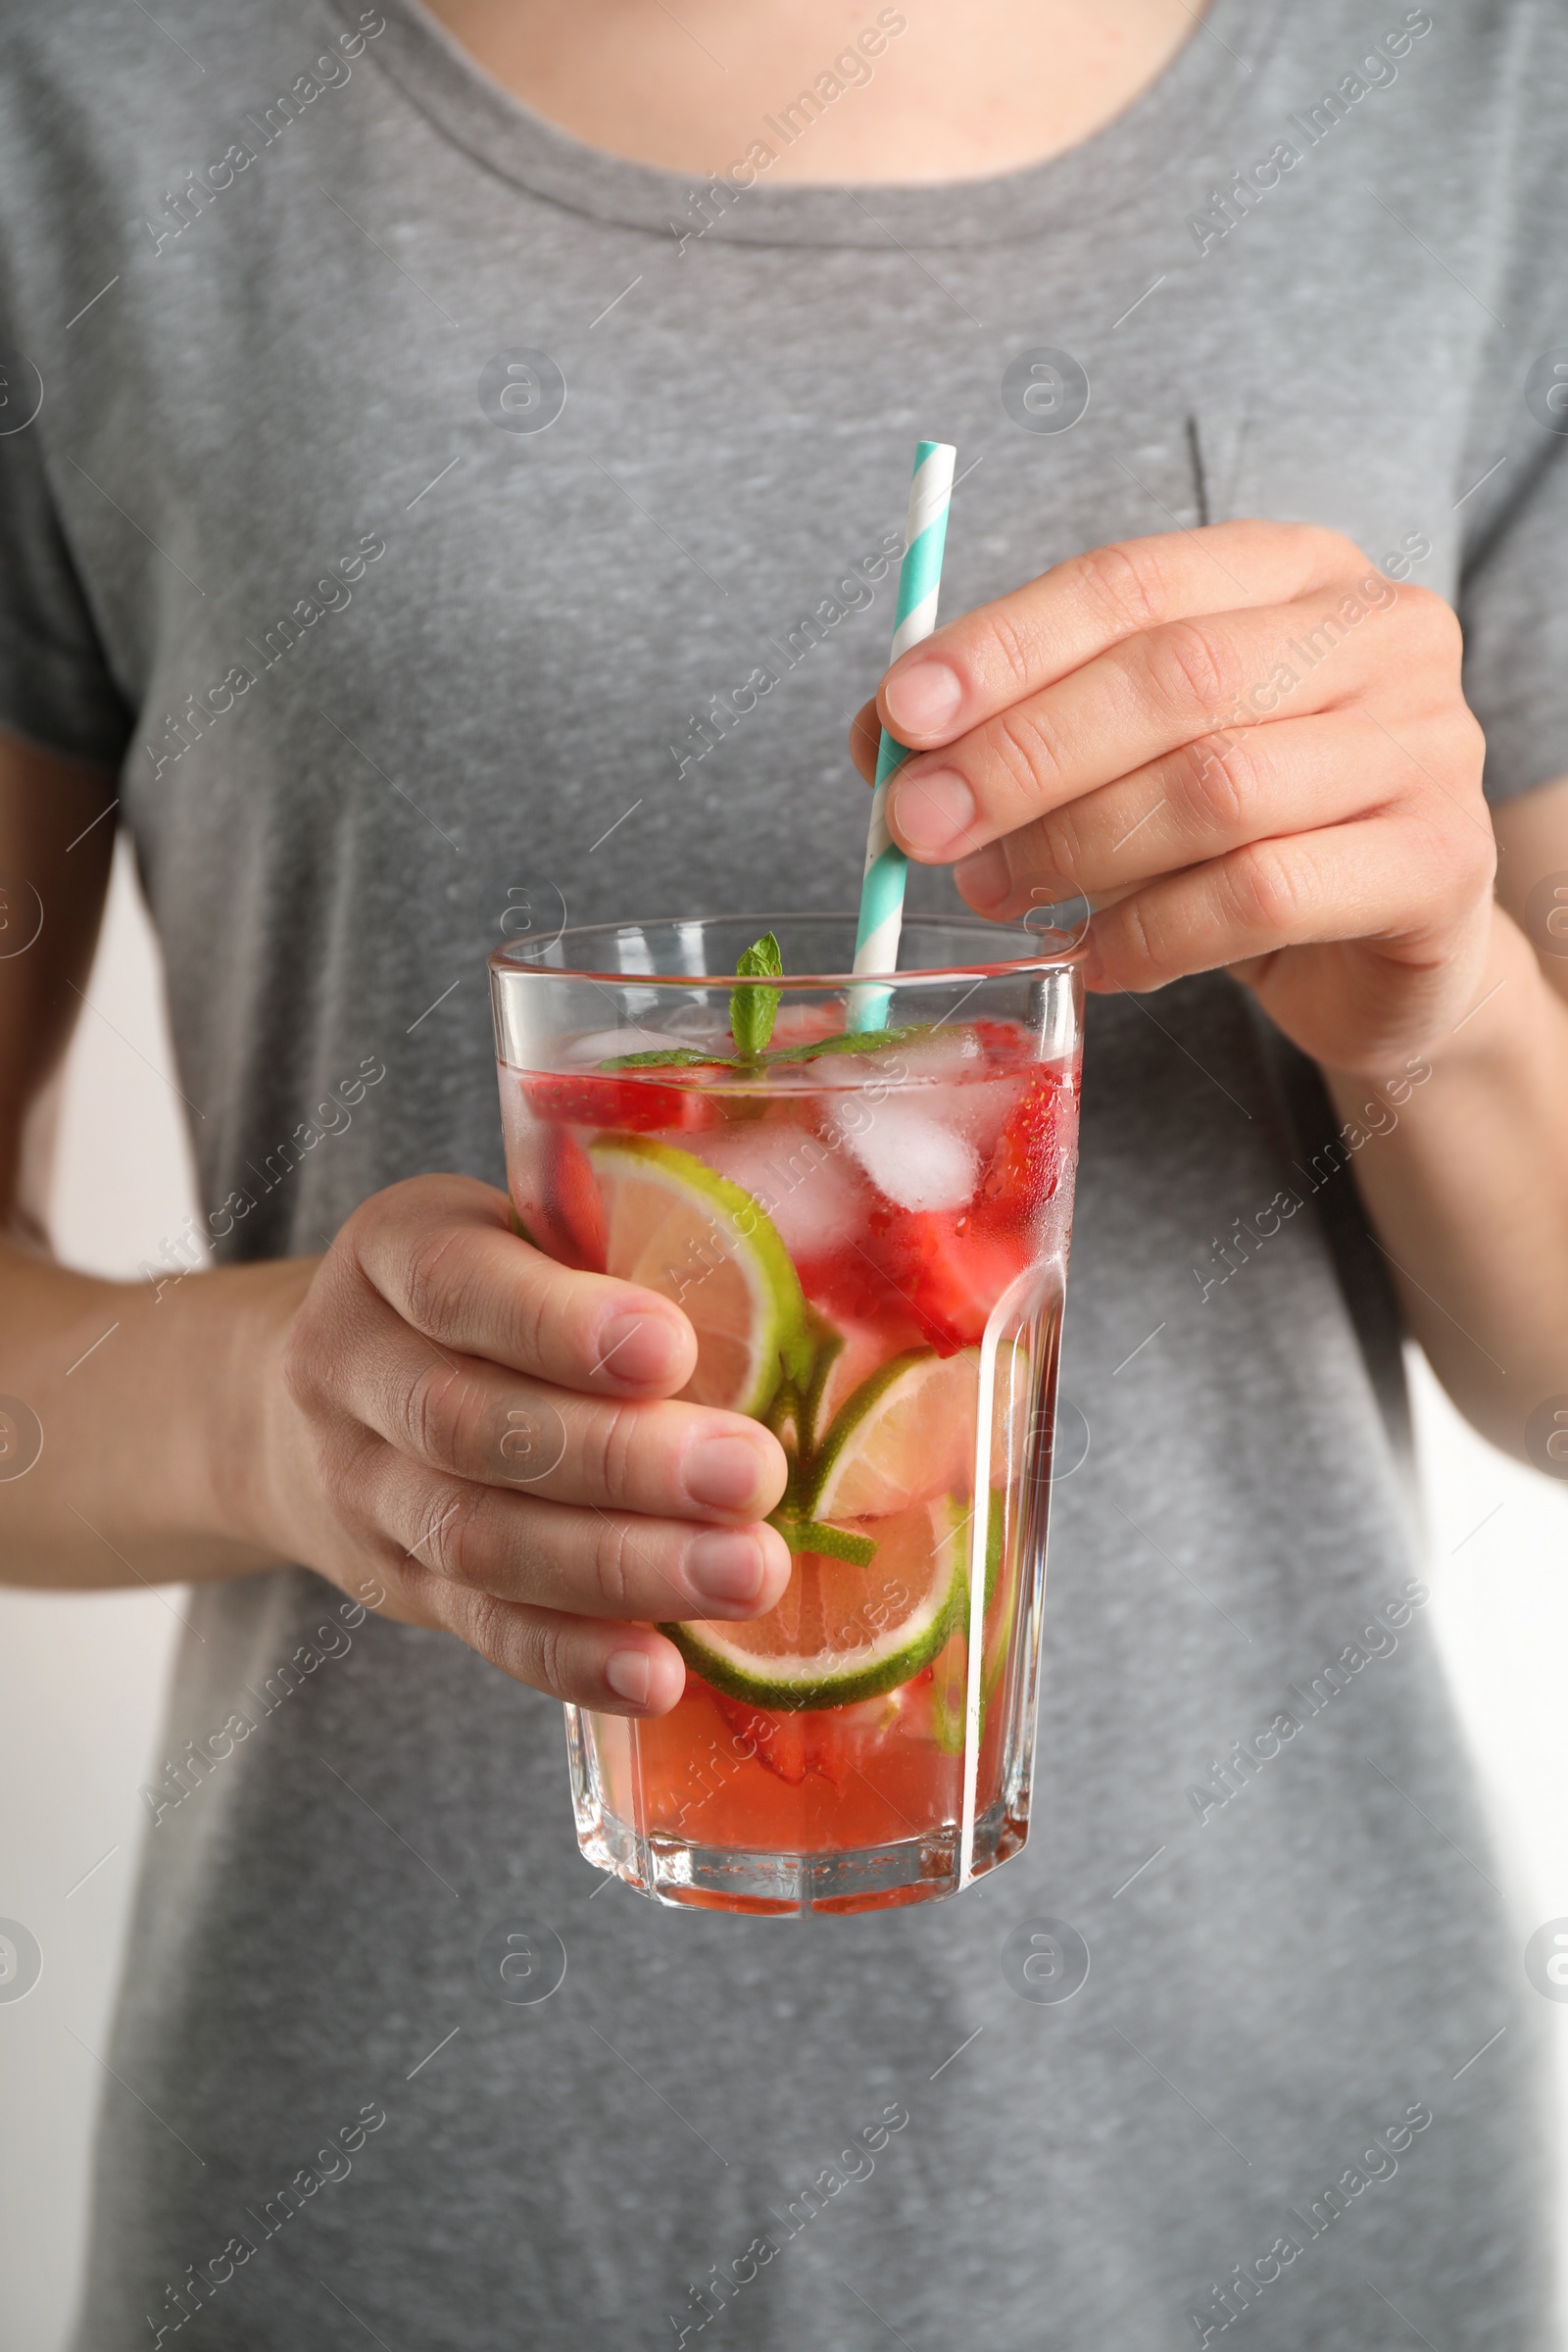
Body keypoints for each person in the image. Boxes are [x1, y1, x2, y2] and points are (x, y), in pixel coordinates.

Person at [2, 0, 1565, 2342]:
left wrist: (1434, 999)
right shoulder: (91, 97)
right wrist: (297, 1418)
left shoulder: (1475, 94)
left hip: (1265, 2198)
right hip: (409, 2216)